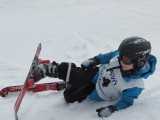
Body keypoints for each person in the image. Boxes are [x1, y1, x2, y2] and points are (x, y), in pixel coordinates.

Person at [32, 36, 157, 117]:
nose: (120, 59)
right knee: (78, 75)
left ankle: (70, 84)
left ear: (139, 61)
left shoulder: (135, 86)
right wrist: (95, 60)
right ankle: (49, 69)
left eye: (126, 59)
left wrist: (112, 109)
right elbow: (108, 56)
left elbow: (126, 101)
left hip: (97, 92)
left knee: (69, 97)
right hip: (97, 75)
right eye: (121, 56)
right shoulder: (121, 56)